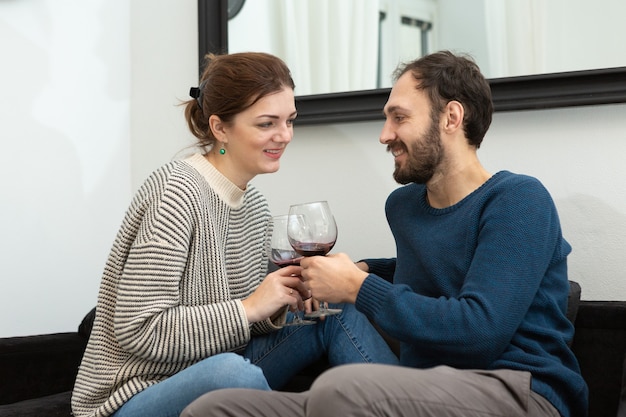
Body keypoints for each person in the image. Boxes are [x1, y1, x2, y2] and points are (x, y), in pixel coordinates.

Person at [179, 50, 588, 417]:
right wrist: (363, 269)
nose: (385, 134)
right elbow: (436, 264)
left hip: (517, 392)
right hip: (419, 389)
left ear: (451, 118)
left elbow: (479, 330)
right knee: (216, 407)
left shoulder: (517, 200)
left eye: (399, 117)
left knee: (341, 390)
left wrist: (360, 287)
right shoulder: (406, 206)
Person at [71, 52, 398, 417]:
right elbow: (140, 330)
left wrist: (280, 300)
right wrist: (248, 307)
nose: (285, 135)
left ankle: (414, 408)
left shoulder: (254, 205)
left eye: (290, 120)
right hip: (134, 396)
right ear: (220, 127)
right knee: (231, 372)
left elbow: (241, 324)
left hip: (213, 367)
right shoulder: (175, 193)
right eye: (266, 123)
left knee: (335, 311)